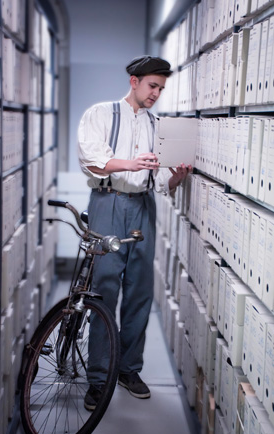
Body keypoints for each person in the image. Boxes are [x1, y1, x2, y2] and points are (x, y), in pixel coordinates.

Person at [77, 55, 191, 411]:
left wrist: (176, 177)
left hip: (142, 207)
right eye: (152, 86)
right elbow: (91, 158)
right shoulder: (101, 113)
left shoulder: (159, 125)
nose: (156, 93)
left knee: (140, 291)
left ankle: (128, 369)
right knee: (104, 290)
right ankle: (98, 379)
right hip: (108, 202)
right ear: (134, 82)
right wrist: (131, 162)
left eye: (161, 88)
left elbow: (157, 182)